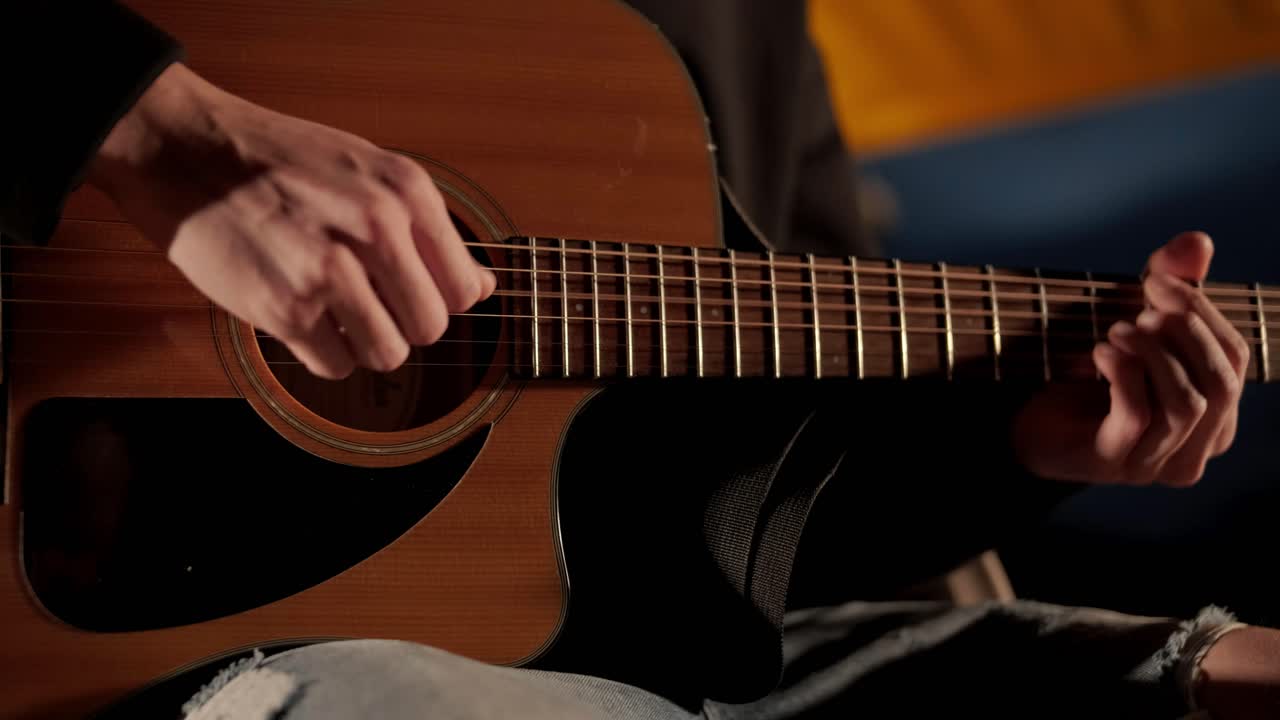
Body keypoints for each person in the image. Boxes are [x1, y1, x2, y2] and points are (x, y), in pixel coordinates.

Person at [3, 2, 1277, 719]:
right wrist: (157, 131)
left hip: (621, 660)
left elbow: (754, 531)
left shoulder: (745, 29)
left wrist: (1016, 449)